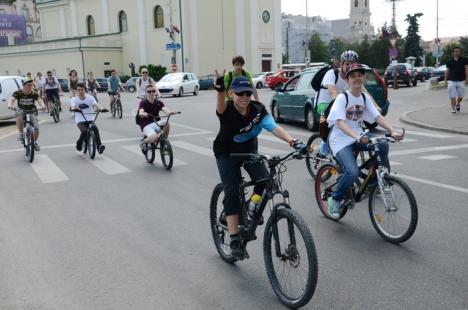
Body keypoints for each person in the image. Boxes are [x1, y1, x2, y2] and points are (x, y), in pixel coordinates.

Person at [213, 72, 301, 259]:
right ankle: (235, 237)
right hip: (226, 153)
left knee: (264, 179)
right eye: (240, 93)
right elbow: (220, 108)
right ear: (232, 94)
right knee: (232, 190)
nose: (244, 97)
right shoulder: (227, 109)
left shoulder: (258, 110)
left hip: (248, 149)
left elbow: (274, 127)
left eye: (247, 93)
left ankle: (252, 206)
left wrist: (292, 142)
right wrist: (219, 90)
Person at [325, 64, 403, 219]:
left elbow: (378, 117)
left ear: (364, 78)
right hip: (340, 140)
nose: (357, 78)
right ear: (348, 80)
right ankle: (334, 199)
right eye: (353, 76)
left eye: (360, 75)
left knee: (381, 143)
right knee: (352, 172)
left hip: (358, 135)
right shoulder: (343, 98)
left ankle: (380, 176)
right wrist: (356, 136)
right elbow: (340, 122)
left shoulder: (364, 97)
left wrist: (392, 130)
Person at [316, 50, 381, 158]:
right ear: (341, 64)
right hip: (324, 104)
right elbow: (333, 93)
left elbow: (366, 93)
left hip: (340, 102)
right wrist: (344, 105)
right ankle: (323, 149)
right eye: (347, 64)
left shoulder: (351, 76)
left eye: (352, 64)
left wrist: (376, 106)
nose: (349, 66)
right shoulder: (331, 74)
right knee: (328, 126)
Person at [7, 79, 46, 151]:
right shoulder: (18, 93)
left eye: (32, 85)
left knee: (36, 127)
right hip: (21, 110)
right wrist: (10, 105)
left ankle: (34, 142)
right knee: (19, 114)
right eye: (29, 85)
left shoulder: (34, 93)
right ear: (24, 85)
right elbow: (12, 99)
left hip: (32, 111)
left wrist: (42, 106)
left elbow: (39, 100)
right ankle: (21, 134)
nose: (31, 87)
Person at [70, 83, 107, 154]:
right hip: (80, 119)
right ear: (77, 91)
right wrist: (74, 109)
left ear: (85, 90)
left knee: (95, 128)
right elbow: (73, 106)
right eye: (79, 90)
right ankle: (79, 143)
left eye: (82, 90)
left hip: (90, 118)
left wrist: (101, 109)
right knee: (84, 131)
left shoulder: (90, 98)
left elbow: (96, 105)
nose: (80, 91)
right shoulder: (74, 99)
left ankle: (99, 146)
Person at [138, 84, 178, 150]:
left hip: (156, 123)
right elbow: (141, 111)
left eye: (153, 91)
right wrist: (143, 113)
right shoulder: (143, 102)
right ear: (146, 93)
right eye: (149, 91)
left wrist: (170, 112)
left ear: (155, 92)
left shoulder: (159, 102)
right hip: (146, 125)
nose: (151, 93)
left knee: (166, 123)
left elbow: (165, 109)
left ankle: (164, 142)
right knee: (154, 138)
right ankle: (144, 141)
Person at [444, 47, 468, 113]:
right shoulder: (449, 61)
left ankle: (457, 102)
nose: (457, 52)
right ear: (453, 53)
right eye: (455, 51)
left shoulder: (464, 60)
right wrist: (445, 80)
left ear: (460, 52)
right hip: (452, 81)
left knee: (461, 96)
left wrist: (467, 78)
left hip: (461, 80)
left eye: (458, 51)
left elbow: (466, 69)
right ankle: (453, 109)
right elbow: (447, 71)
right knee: (452, 95)